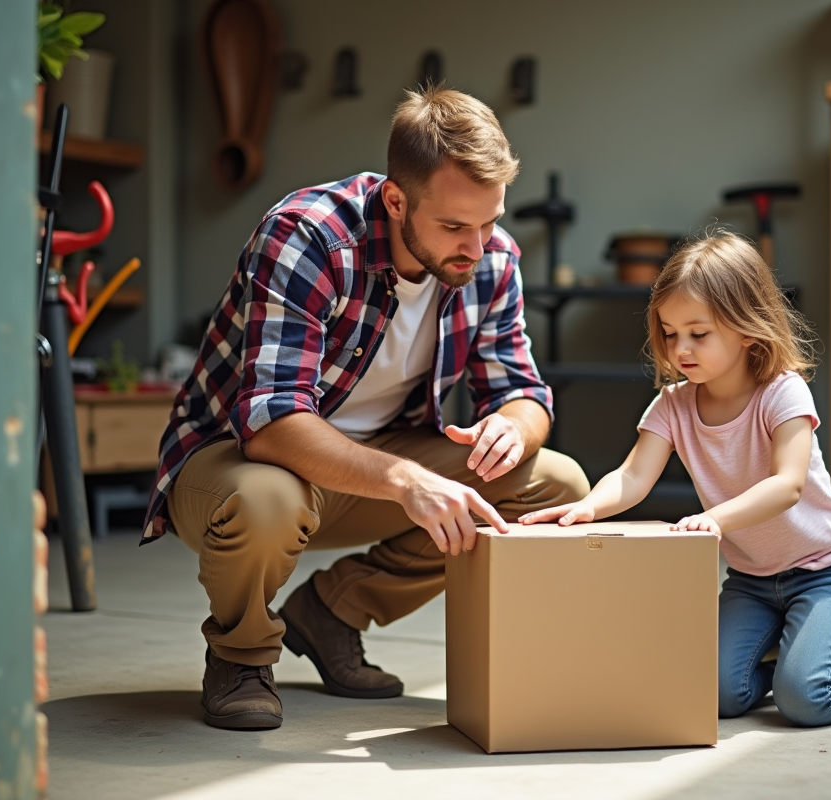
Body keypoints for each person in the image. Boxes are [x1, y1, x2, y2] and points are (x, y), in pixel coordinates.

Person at [141, 86, 589, 730]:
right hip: (237, 464)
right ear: (397, 200)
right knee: (268, 499)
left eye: (489, 221)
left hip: (369, 466)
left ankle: (331, 612)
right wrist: (406, 481)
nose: (477, 244)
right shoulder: (308, 236)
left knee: (554, 485)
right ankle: (240, 656)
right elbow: (270, 422)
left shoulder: (492, 260)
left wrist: (513, 427)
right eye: (454, 226)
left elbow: (523, 390)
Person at [521, 231, 831, 726]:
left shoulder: (783, 392)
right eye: (669, 333)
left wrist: (716, 519)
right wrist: (589, 507)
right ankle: (793, 650)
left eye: (698, 334)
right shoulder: (673, 405)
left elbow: (787, 485)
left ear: (748, 328)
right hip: (752, 580)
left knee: (802, 700)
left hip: (824, 571)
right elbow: (633, 475)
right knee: (718, 695)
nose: (680, 348)